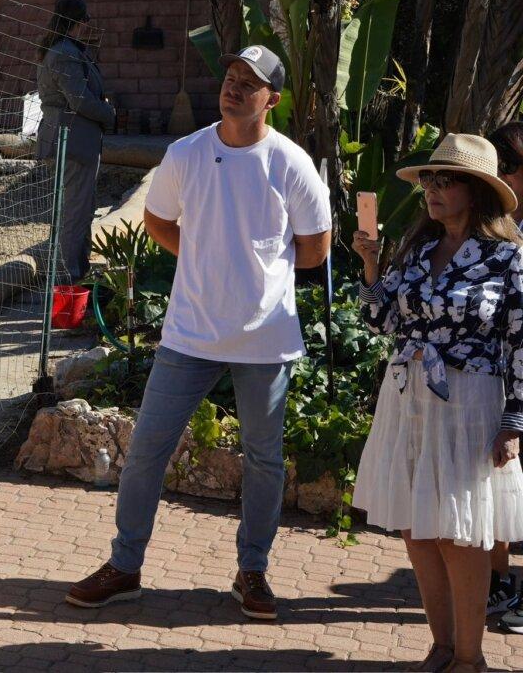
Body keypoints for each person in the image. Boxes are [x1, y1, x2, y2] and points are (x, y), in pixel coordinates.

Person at [65, 45, 331, 621]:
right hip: (188, 335)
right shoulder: (185, 153)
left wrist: (257, 269)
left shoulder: (290, 163)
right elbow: (158, 220)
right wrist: (203, 258)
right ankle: (125, 566)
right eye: (231, 77)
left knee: (263, 460)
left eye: (249, 83)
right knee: (144, 454)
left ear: (272, 100)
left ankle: (251, 571)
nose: (234, 88)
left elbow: (315, 247)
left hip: (265, 340)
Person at [351, 133, 523, 673]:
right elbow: (381, 320)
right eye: (429, 179)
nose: (433, 189)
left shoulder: (507, 257)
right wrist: (371, 265)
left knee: (460, 530)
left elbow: (521, 339)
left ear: (476, 191)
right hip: (408, 396)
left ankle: (470, 658)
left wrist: (515, 418)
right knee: (416, 525)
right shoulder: (418, 247)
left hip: (470, 400)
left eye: (446, 180)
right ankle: (442, 647)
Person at [35, 0, 115, 282]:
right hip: (71, 142)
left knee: (77, 210)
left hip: (71, 140)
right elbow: (80, 100)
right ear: (78, 21)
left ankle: (76, 273)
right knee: (74, 214)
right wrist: (109, 113)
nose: (88, 24)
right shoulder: (66, 52)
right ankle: (66, 282)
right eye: (86, 19)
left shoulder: (61, 49)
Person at [489, 121, 523, 632]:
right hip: (499, 372)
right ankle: (496, 581)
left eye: (505, 170)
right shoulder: (493, 224)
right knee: (498, 483)